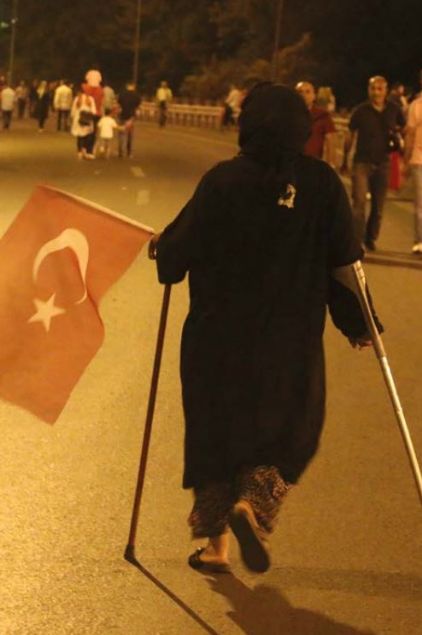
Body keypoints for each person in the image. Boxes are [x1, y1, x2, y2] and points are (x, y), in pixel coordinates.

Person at [152, 83, 382, 574]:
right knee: (288, 426)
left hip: (216, 339)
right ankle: (253, 505)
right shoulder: (321, 184)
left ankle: (215, 546)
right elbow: (345, 263)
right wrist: (360, 323)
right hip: (289, 341)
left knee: (215, 432)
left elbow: (175, 257)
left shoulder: (222, 181)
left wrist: (163, 248)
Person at [341, 76, 405, 251]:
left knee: (378, 206)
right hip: (362, 162)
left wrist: (399, 142)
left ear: (386, 91)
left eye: (380, 89)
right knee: (359, 203)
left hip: (383, 162)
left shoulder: (394, 110)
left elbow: (403, 127)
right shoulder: (360, 111)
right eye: (373, 88)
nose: (376, 92)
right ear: (368, 90)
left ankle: (371, 238)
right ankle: (356, 241)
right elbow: (350, 134)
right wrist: (345, 159)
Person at [295, 81, 336, 166]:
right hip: (291, 164)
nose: (303, 95)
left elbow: (330, 141)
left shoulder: (322, 115)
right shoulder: (288, 114)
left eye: (307, 92)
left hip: (313, 163)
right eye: (300, 91)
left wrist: (330, 164)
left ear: (314, 96)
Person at [404, 72, 422, 254]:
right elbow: (409, 134)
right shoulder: (416, 106)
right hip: (419, 159)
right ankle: (419, 240)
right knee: (420, 203)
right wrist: (406, 158)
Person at [70, 89, 96, 159]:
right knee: (87, 135)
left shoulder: (77, 98)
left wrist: (72, 117)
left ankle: (79, 152)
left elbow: (73, 111)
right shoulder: (90, 99)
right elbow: (93, 111)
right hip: (87, 119)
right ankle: (85, 150)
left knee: (79, 136)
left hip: (78, 119)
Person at [117, 82, 141, 158]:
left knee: (121, 134)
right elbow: (138, 106)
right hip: (131, 117)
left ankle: (120, 151)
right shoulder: (137, 95)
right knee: (130, 135)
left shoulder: (122, 94)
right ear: (133, 86)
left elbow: (119, 104)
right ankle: (129, 152)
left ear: (127, 86)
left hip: (122, 115)